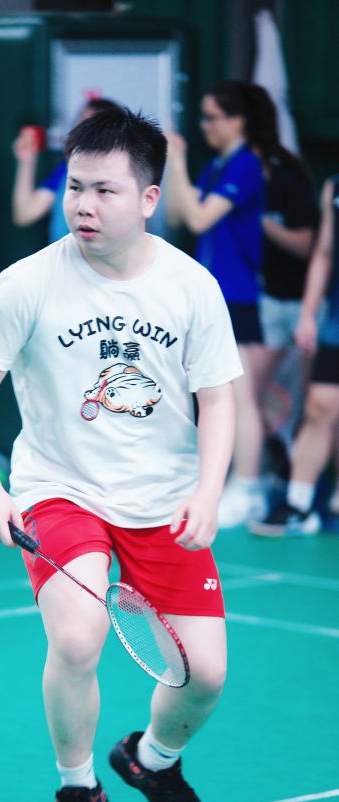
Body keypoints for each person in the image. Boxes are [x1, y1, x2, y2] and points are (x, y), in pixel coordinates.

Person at [0, 106, 242, 802]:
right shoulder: (25, 284)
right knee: (77, 638)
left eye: (105, 190)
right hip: (59, 487)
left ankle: (152, 760)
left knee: (204, 677)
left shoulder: (191, 286)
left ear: (148, 198)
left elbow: (218, 400)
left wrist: (209, 491)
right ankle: (78, 791)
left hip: (163, 499)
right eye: (75, 187)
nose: (83, 204)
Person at [165, 81, 267, 528]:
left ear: (237, 120)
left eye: (212, 117)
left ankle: (249, 487)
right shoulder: (216, 166)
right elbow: (176, 214)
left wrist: (178, 159)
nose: (205, 125)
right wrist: (174, 165)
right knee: (211, 392)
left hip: (237, 294)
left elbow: (199, 217)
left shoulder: (246, 164)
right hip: (210, 295)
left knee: (239, 396)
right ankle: (222, 483)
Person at [249, 172, 339, 536]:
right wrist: (307, 314)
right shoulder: (334, 186)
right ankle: (299, 505)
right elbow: (324, 253)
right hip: (335, 320)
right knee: (320, 403)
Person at [250, 85, 318, 456]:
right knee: (248, 392)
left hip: (301, 304)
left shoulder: (288, 177)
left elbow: (308, 245)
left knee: (311, 401)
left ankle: (301, 475)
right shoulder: (225, 172)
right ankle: (262, 470)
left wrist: (261, 222)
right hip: (265, 302)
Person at [11, 98, 120, 244]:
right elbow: (25, 214)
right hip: (64, 258)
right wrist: (27, 160)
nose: (81, 129)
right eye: (80, 120)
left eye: (91, 124)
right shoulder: (65, 170)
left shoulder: (121, 175)